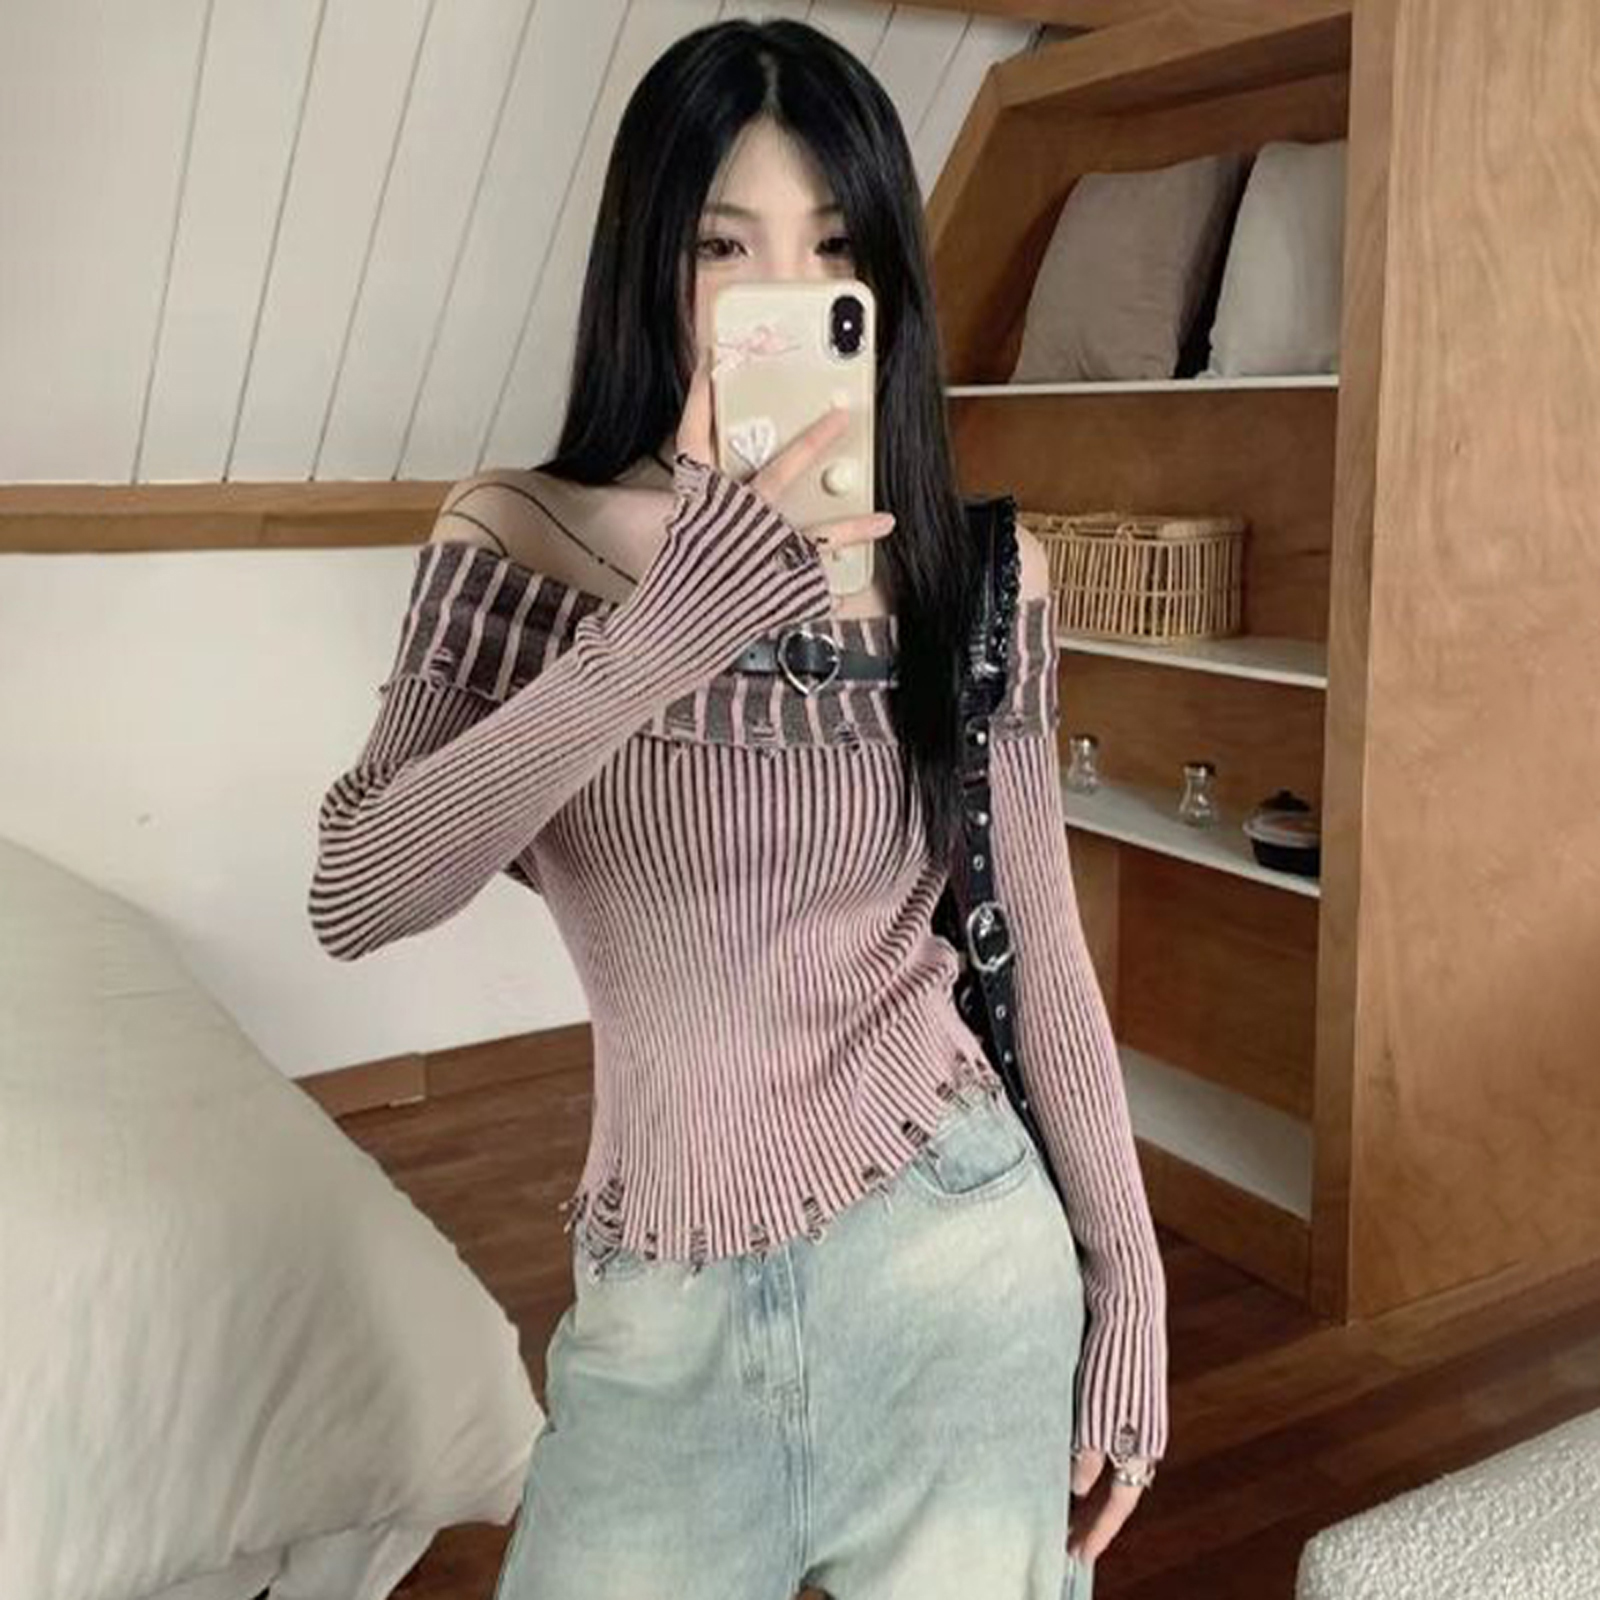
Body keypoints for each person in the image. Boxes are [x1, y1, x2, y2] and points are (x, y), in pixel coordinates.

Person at [307, 18, 1166, 1599]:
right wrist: (668, 627)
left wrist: (1133, 1285)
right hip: (663, 1320)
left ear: (883, 279)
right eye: (723, 246)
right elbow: (359, 891)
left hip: (959, 1274)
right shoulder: (520, 538)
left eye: (831, 246)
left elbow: (1042, 954)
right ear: (650, 264)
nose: (779, 290)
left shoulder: (979, 575)